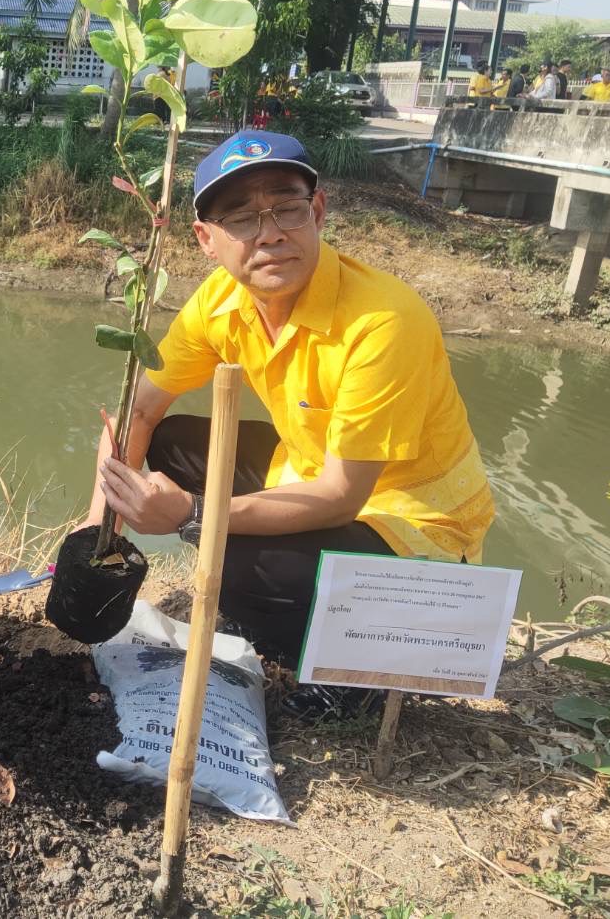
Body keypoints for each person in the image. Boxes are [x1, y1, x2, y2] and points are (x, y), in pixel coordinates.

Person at [84, 130, 494, 719]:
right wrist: (100, 524)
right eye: (242, 218)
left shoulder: (384, 321)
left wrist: (193, 516)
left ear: (318, 212)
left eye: (288, 209)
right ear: (206, 240)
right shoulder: (221, 300)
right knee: (171, 444)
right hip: (310, 470)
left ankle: (355, 671)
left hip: (411, 526)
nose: (270, 232)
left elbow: (341, 496)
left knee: (227, 558)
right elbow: (141, 409)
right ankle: (283, 602)